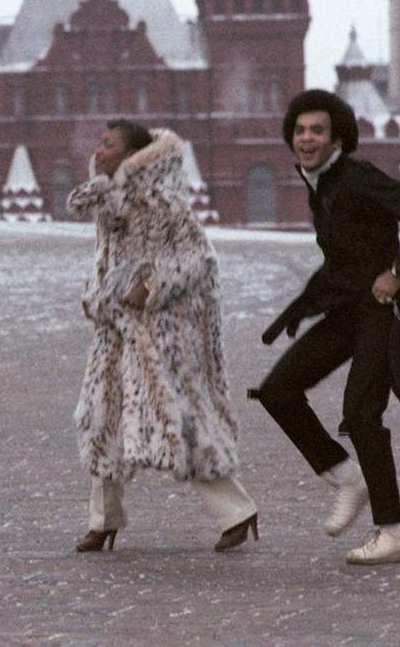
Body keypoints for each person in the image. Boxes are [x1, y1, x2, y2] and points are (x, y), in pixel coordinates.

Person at [255, 89, 400, 565]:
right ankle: (348, 478)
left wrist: (399, 270)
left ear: (336, 137)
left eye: (317, 130)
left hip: (380, 310)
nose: (306, 138)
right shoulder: (318, 181)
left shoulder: (357, 177)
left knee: (361, 414)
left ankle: (394, 532)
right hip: (346, 309)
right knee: (278, 390)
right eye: (300, 130)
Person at [67, 119, 258, 554]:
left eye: (108, 144)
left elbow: (199, 260)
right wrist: (96, 297)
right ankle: (103, 521)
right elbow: (108, 263)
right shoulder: (110, 200)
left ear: (132, 155)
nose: (98, 150)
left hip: (160, 334)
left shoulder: (161, 203)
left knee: (181, 421)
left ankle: (237, 512)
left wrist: (150, 287)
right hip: (115, 331)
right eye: (99, 142)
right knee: (100, 419)